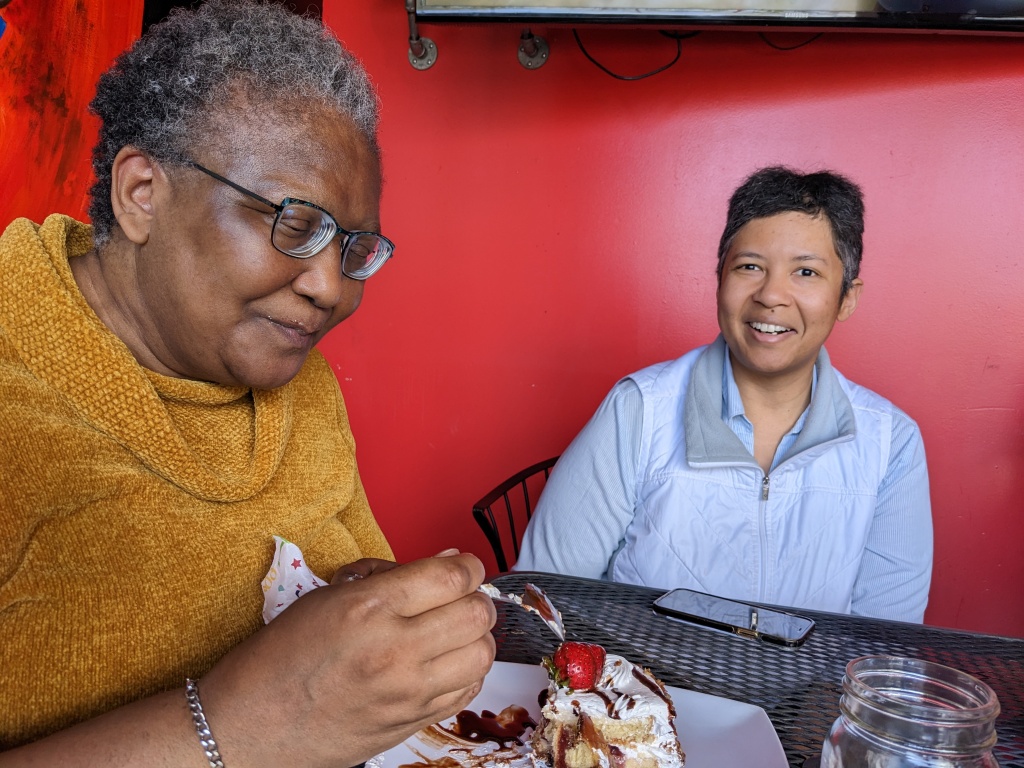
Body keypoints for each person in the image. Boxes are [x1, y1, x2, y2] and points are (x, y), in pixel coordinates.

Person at [0, 1, 495, 764]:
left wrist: (378, 620)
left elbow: (346, 603)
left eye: (354, 249)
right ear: (142, 193)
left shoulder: (304, 387)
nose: (329, 288)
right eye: (293, 225)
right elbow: (284, 712)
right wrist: (240, 725)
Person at [516, 166, 933, 623]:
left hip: (816, 676)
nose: (771, 295)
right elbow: (542, 599)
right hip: (642, 671)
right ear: (719, 279)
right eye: (750, 266)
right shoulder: (639, 409)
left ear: (847, 298)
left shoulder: (891, 443)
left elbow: (885, 639)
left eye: (806, 271)